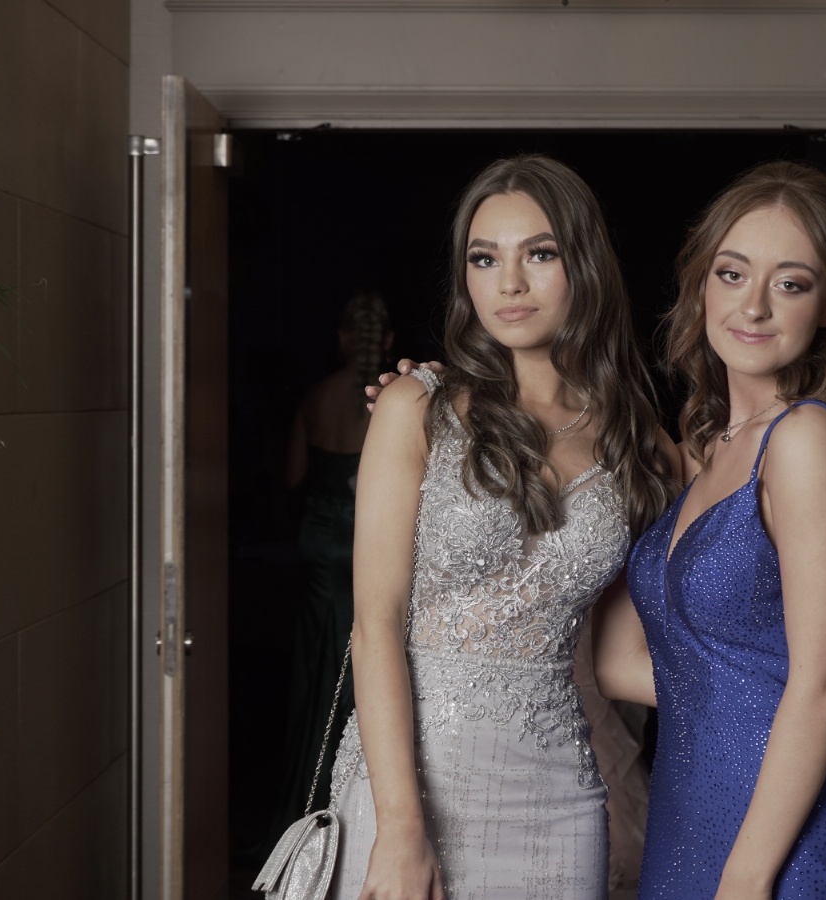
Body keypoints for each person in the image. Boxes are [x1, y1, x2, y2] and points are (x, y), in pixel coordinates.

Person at [329, 154, 680, 900]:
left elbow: (729, 540)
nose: (508, 283)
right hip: (406, 791)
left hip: (559, 800)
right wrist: (401, 828)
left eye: (540, 254)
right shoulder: (416, 407)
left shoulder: (635, 440)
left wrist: (786, 681)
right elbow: (374, 623)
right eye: (484, 258)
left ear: (585, 265)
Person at [593, 161, 826, 898]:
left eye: (790, 284)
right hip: (692, 825)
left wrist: (746, 875)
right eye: (732, 274)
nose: (754, 306)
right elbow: (615, 660)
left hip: (785, 854)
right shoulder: (704, 453)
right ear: (701, 283)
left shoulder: (806, 438)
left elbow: (823, 679)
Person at [266, 291, 393, 844]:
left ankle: (306, 794)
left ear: (342, 337)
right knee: (368, 649)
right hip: (370, 542)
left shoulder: (315, 396)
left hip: (319, 540)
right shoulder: (390, 401)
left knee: (318, 657)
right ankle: (352, 801)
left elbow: (293, 477)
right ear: (387, 340)